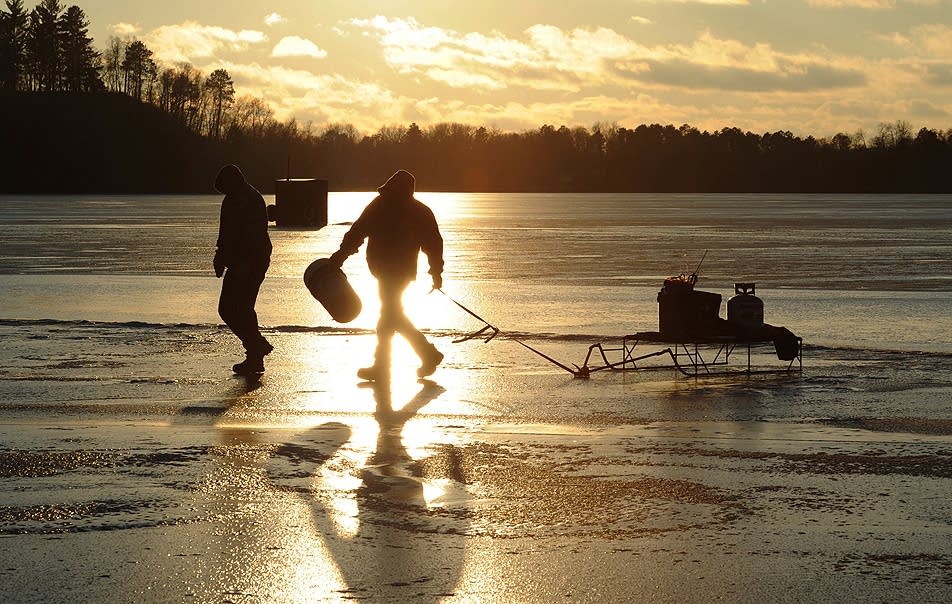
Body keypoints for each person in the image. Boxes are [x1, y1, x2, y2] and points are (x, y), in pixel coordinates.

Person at [328, 169, 444, 381]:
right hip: (392, 271)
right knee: (392, 316)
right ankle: (425, 355)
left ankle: (393, 363)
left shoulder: (384, 206)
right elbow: (434, 244)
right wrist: (436, 271)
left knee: (388, 317)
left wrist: (339, 257)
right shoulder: (412, 209)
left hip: (394, 272)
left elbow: (357, 232)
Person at [213, 164, 273, 375]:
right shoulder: (232, 199)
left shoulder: (248, 199)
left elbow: (253, 237)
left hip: (250, 263)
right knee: (238, 309)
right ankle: (255, 353)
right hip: (241, 262)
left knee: (233, 308)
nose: (224, 193)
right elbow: (226, 234)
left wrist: (243, 265)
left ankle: (256, 348)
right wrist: (220, 257)